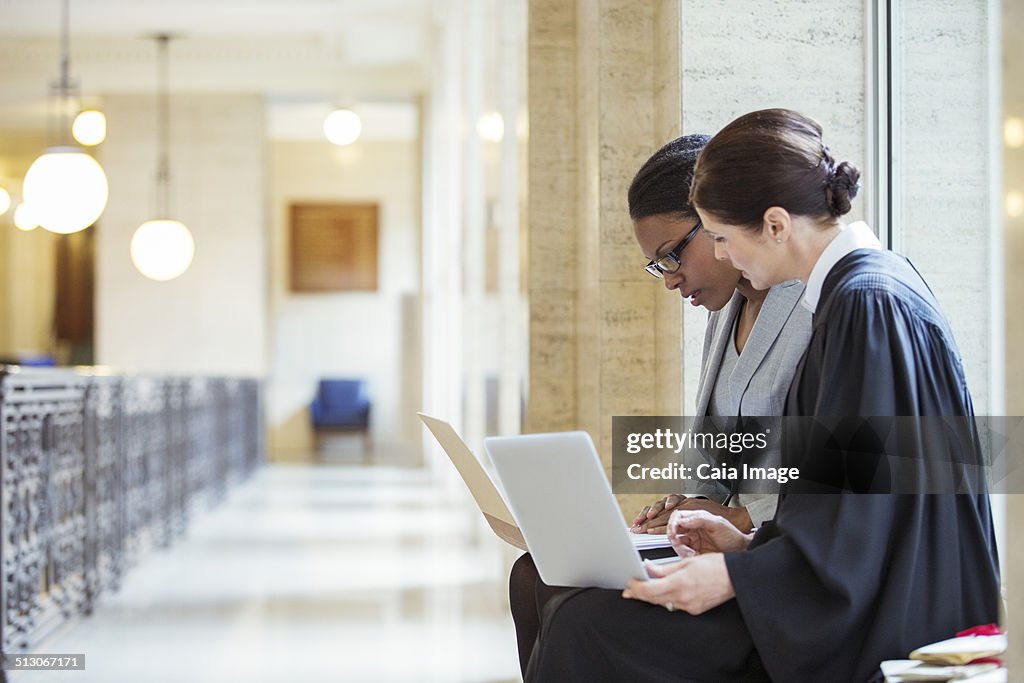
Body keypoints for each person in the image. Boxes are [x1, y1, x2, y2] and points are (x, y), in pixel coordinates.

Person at [526, 109, 1000, 683]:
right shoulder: (855, 296)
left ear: (776, 224)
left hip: (878, 616)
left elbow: (862, 520)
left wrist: (737, 574)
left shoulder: (866, 305)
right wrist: (748, 543)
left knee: (590, 625)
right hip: (840, 590)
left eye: (722, 238)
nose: (725, 258)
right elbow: (843, 498)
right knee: (577, 609)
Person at [508, 133, 813, 676]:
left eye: (673, 255)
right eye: (658, 265)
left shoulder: (821, 307)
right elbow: (723, 451)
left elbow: (840, 479)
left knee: (583, 618)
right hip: (727, 543)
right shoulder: (725, 310)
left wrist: (739, 516)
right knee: (535, 573)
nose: (671, 278)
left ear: (719, 220)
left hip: (774, 566)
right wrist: (688, 506)